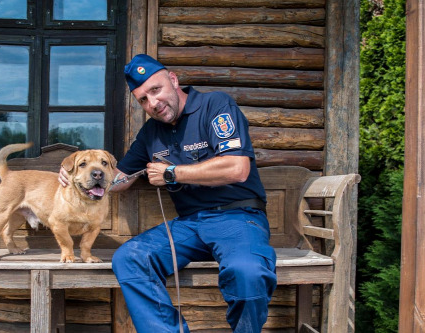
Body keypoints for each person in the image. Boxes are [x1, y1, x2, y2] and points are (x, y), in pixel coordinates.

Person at [59, 54, 276, 333]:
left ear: (173, 80)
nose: (152, 103)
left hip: (239, 217)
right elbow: (121, 178)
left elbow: (237, 168)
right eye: (143, 100)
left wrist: (172, 173)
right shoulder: (151, 132)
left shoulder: (215, 105)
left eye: (155, 90)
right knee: (129, 258)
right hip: (189, 225)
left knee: (247, 272)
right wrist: (81, 175)